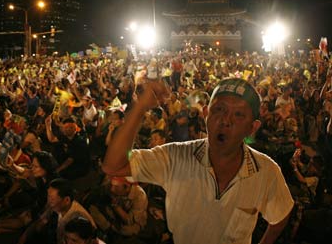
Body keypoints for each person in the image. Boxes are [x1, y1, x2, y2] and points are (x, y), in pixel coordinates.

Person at [102, 78, 294, 244]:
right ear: (205, 114)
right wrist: (140, 108)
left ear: (252, 128)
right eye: (219, 109)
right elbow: (114, 165)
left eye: (238, 114)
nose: (226, 120)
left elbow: (280, 216)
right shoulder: (175, 157)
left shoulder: (266, 171)